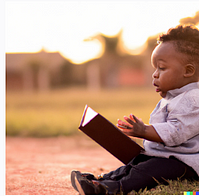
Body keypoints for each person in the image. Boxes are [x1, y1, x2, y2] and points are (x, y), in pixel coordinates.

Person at [71, 25, 199, 195]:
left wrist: (144, 130)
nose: (155, 74)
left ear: (188, 71)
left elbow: (176, 132)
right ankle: (102, 180)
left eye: (161, 68)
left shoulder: (194, 98)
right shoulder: (174, 97)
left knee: (148, 170)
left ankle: (113, 188)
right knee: (135, 163)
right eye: (155, 69)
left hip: (185, 163)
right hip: (168, 157)